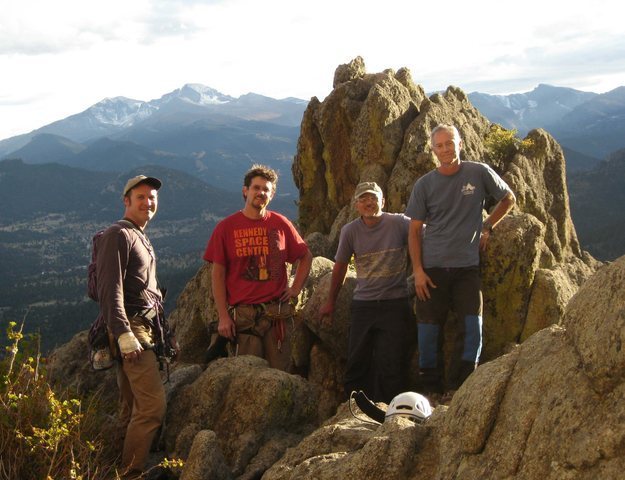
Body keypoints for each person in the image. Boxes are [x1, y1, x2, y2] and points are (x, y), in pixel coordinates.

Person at [405, 124, 516, 398]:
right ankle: (430, 389)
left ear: (460, 143)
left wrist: (488, 225)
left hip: (467, 267)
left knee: (472, 327)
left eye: (449, 143)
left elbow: (508, 198)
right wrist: (418, 271)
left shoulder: (478, 172)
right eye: (439, 145)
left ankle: (461, 387)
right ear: (433, 150)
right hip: (432, 269)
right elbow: (414, 231)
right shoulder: (425, 185)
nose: (445, 149)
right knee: (429, 331)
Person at [203, 164, 313, 371]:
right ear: (245, 191)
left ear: (271, 195)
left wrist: (295, 288)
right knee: (246, 377)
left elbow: (305, 256)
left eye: (266, 189)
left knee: (280, 374)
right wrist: (223, 317)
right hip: (243, 318)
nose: (261, 193)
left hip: (276, 315)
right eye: (256, 188)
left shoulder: (280, 224)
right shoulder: (226, 228)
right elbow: (217, 275)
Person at [96, 175, 169, 478]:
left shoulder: (138, 235)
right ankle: (131, 473)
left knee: (132, 407)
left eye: (152, 197)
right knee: (152, 407)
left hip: (141, 327)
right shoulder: (118, 234)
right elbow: (108, 288)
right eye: (141, 197)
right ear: (126, 201)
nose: (148, 202)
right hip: (133, 329)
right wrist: (124, 333)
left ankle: (109, 467)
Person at [320, 182, 413, 403]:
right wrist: (330, 301)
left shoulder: (400, 223)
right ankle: (353, 407)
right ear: (356, 205)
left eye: (373, 198)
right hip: (364, 304)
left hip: (395, 302)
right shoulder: (350, 231)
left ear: (383, 202)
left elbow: (426, 234)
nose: (369, 202)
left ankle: (389, 411)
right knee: (357, 360)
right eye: (363, 199)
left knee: (391, 362)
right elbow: (341, 266)